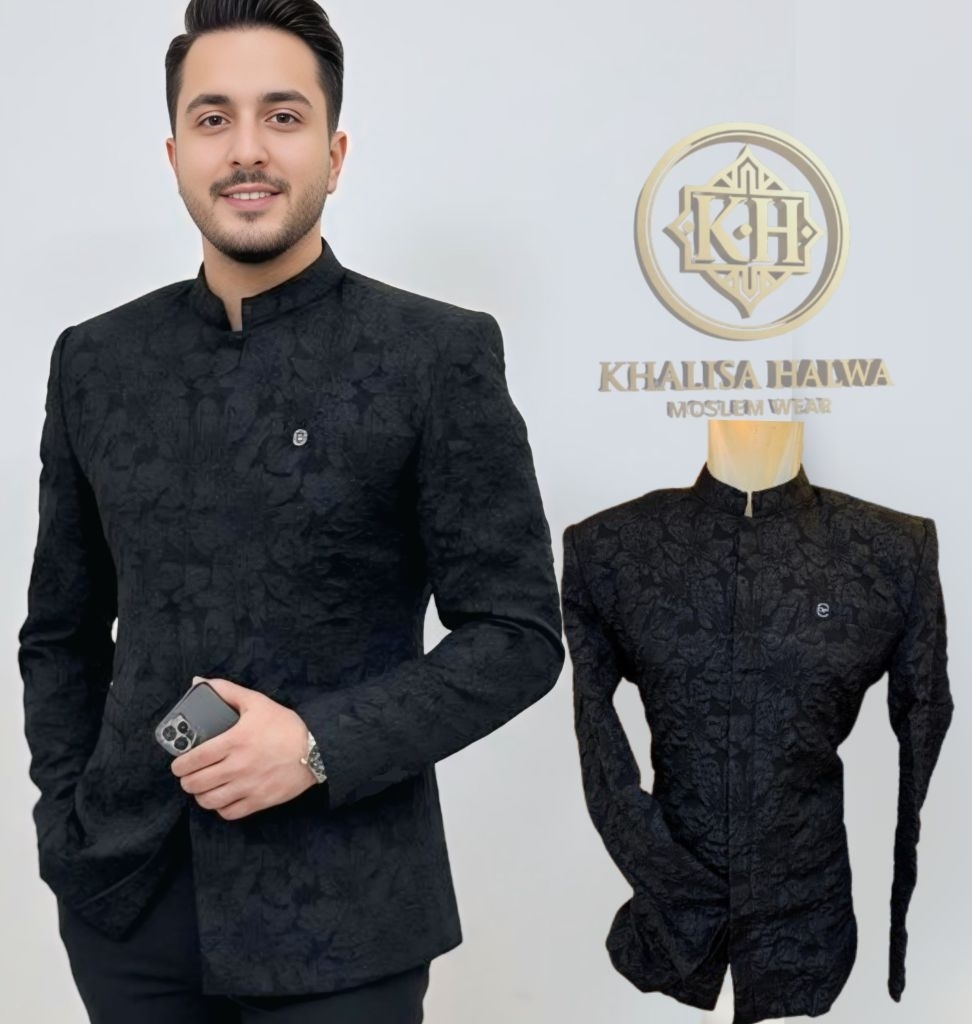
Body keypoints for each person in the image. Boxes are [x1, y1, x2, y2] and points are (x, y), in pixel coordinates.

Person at [17, 2, 564, 1021]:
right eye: (213, 118)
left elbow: (518, 635)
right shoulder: (94, 360)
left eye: (282, 115)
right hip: (126, 901)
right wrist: (68, 830)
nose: (247, 149)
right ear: (175, 153)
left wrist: (316, 743)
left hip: (348, 909)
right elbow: (61, 632)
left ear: (334, 151)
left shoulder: (434, 354)